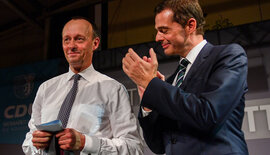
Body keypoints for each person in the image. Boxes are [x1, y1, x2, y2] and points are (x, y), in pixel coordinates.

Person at [122, 0, 248, 154]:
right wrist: (148, 102)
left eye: (164, 30)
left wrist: (152, 85)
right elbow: (158, 146)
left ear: (190, 26)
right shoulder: (170, 82)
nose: (157, 38)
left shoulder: (229, 56)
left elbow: (208, 115)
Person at [22, 17, 143, 155]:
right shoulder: (46, 89)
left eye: (79, 39)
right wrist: (35, 144)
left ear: (95, 43)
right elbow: (28, 143)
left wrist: (86, 143)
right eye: (66, 39)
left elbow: (133, 148)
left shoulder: (113, 89)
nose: (71, 45)